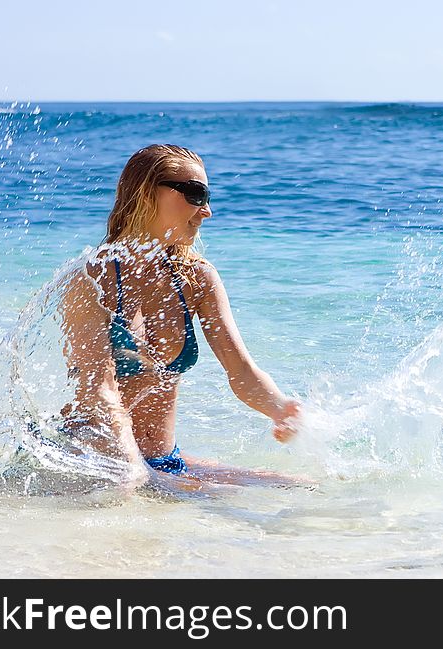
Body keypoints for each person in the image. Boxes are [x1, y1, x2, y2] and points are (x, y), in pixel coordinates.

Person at [57, 144, 303, 489]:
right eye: (195, 194)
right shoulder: (93, 280)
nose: (207, 211)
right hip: (89, 460)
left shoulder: (197, 280)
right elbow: (99, 392)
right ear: (146, 192)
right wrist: (134, 473)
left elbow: (242, 371)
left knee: (297, 487)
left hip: (160, 461)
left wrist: (280, 408)